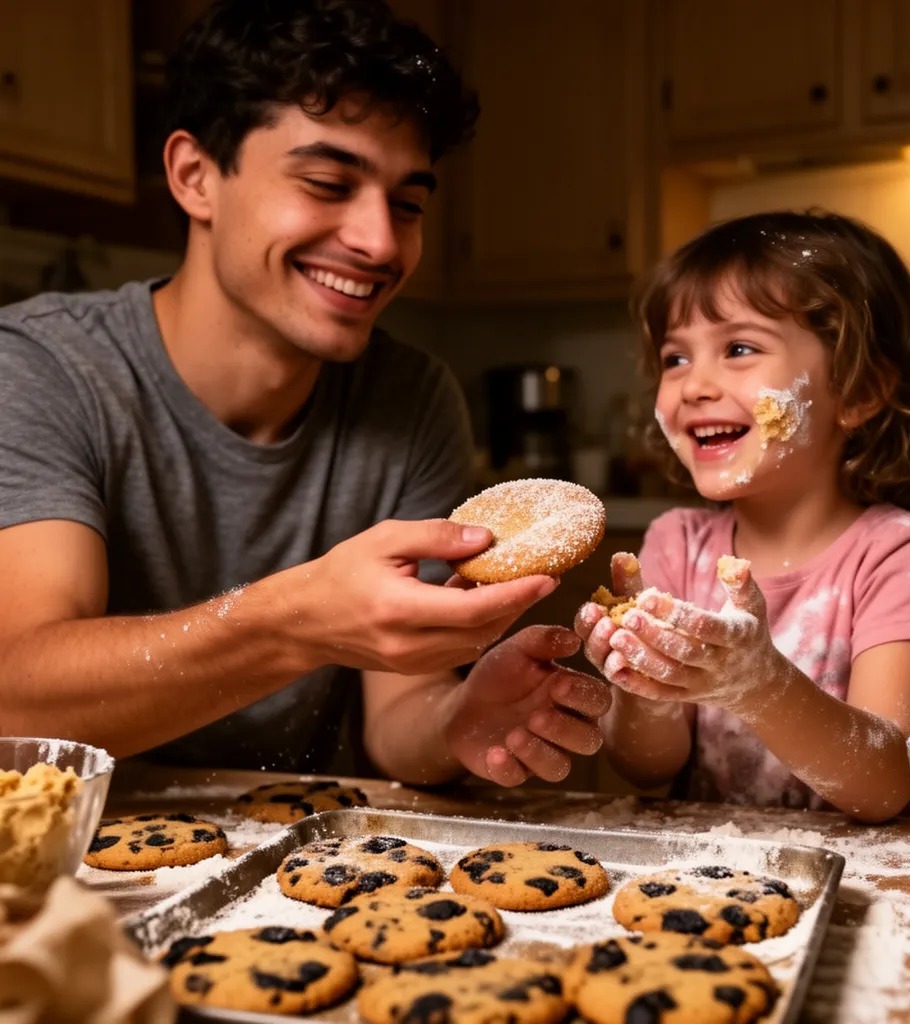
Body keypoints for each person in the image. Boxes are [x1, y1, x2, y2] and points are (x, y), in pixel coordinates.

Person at [0, 0, 611, 788]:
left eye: (409, 203)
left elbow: (400, 717)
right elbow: (16, 700)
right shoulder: (41, 368)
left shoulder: (412, 399)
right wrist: (295, 624)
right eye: (327, 183)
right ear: (194, 177)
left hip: (297, 869)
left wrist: (459, 721)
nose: (380, 242)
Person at [575, 209, 910, 823]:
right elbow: (647, 769)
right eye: (675, 358)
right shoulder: (675, 546)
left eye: (738, 348)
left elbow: (888, 784)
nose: (693, 387)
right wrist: (644, 686)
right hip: (718, 886)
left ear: (858, 390)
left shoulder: (902, 556)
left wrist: (760, 684)